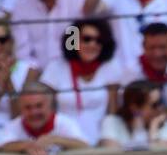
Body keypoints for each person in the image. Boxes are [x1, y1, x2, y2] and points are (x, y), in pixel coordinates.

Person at [40, 12, 118, 142]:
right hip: (64, 142)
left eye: (98, 41)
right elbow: (46, 111)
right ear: (74, 41)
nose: (92, 44)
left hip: (100, 143)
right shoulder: (55, 68)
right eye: (87, 39)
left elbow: (112, 115)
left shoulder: (110, 68)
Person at [0, 79, 90, 153]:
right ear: (21, 109)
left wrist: (54, 139)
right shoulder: (14, 125)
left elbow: (84, 145)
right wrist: (28, 146)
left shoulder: (65, 123)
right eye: (28, 107)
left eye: (39, 106)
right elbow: (1, 147)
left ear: (50, 106)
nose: (34, 112)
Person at [99, 77, 167, 146]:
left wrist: (153, 131)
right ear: (134, 107)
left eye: (161, 102)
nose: (160, 108)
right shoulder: (111, 122)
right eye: (155, 105)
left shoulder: (165, 125)